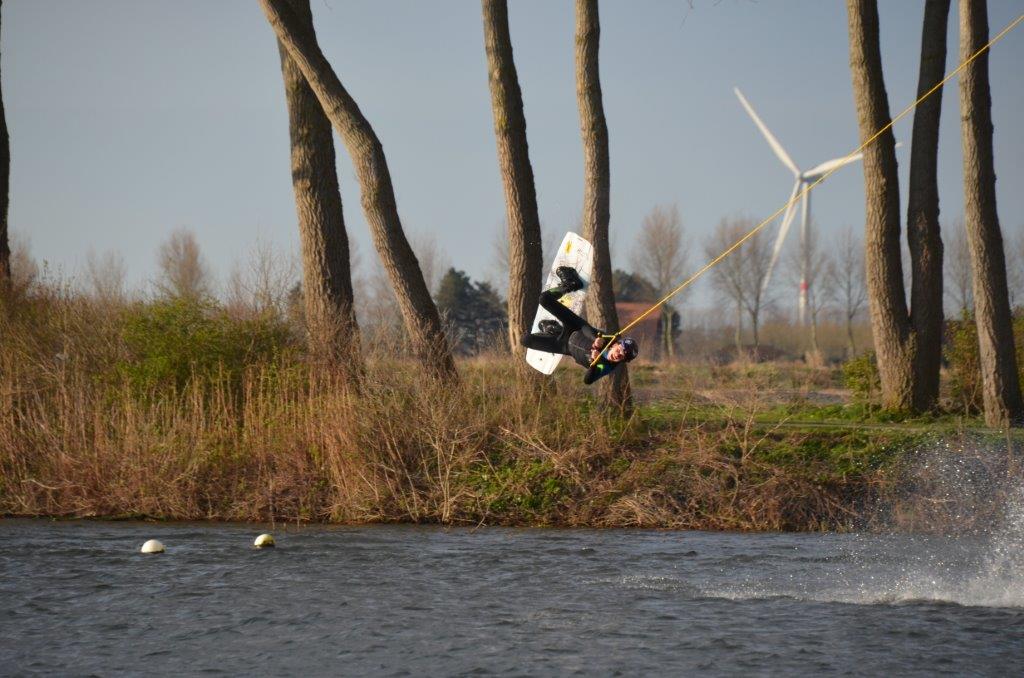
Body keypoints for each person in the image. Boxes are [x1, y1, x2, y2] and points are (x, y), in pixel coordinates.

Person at [521, 266, 639, 384]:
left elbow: (588, 380)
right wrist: (596, 340)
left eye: (622, 357)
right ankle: (570, 284)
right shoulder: (609, 339)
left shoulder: (606, 366)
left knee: (525, 340)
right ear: (615, 345)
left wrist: (595, 362)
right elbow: (587, 329)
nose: (618, 356)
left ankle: (555, 330)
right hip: (574, 326)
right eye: (619, 351)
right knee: (544, 299)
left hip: (564, 346)